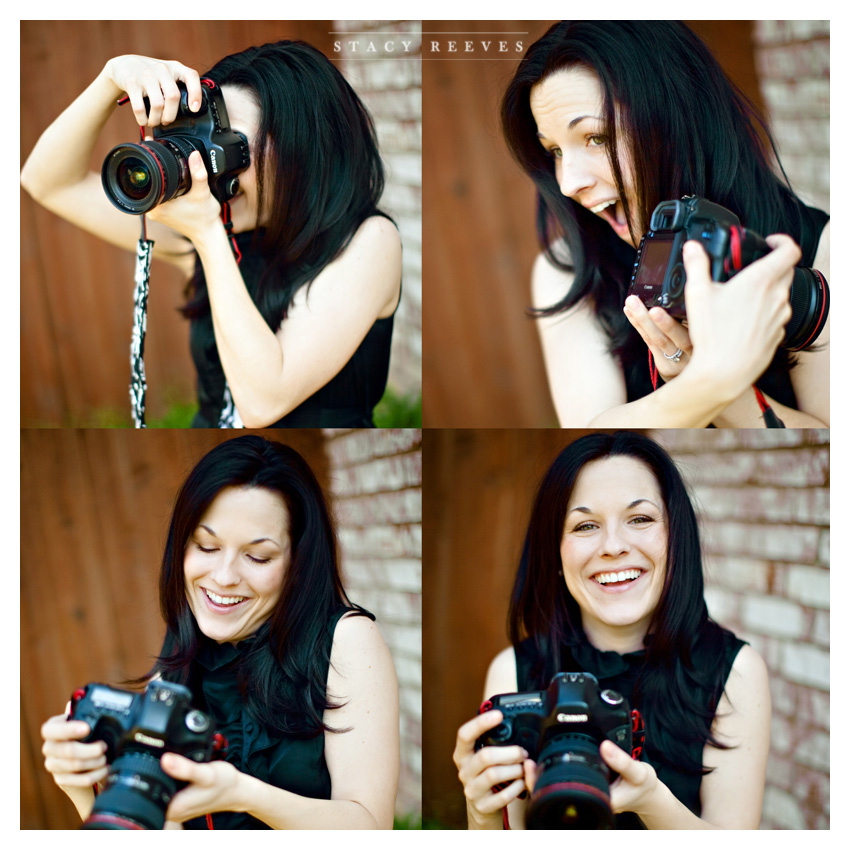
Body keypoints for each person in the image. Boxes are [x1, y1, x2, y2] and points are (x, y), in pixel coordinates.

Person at [20, 42, 402, 428]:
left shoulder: (368, 242)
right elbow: (48, 183)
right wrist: (108, 79)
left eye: (234, 147)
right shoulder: (208, 231)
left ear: (306, 153)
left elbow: (263, 403)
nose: (212, 166)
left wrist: (207, 233)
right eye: (205, 141)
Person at [40, 435, 400, 829]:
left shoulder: (347, 641)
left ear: (299, 561)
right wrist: (83, 783)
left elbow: (370, 826)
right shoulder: (184, 650)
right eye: (206, 547)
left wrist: (243, 794)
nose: (224, 577)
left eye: (257, 556)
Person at [501, 21, 829, 428]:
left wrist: (710, 383)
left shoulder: (824, 244)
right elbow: (593, 431)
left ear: (676, 120)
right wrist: (709, 382)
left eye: (596, 138)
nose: (568, 183)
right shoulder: (565, 267)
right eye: (553, 150)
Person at [453, 431, 770, 829]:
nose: (613, 546)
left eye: (640, 519)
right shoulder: (512, 672)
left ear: (677, 537)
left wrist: (653, 803)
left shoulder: (736, 673)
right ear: (554, 549)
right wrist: (481, 813)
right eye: (585, 526)